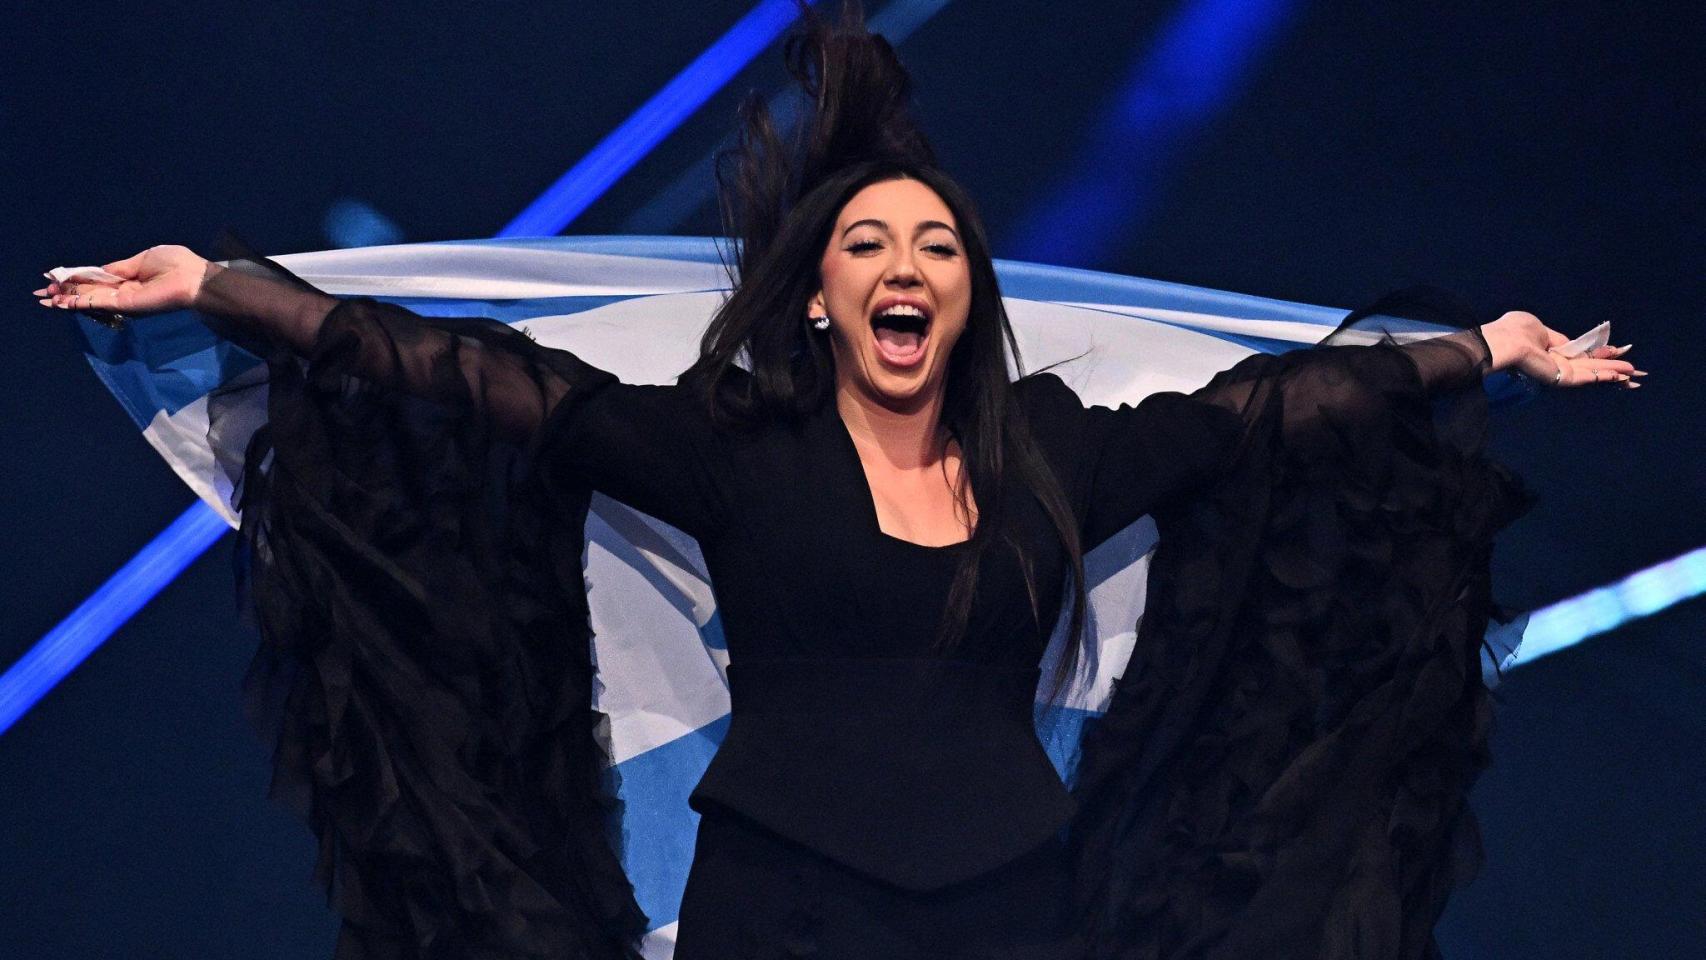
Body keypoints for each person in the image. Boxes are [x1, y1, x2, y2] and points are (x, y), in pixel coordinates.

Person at [35, 6, 1641, 960]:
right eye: (867, 241)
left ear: (966, 297)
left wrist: (1481, 349)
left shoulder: (1059, 456)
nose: (902, 264)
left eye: (935, 244)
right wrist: (225, 287)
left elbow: (1267, 410)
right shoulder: (731, 450)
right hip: (779, 902)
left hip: (1009, 904)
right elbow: (478, 379)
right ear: (819, 297)